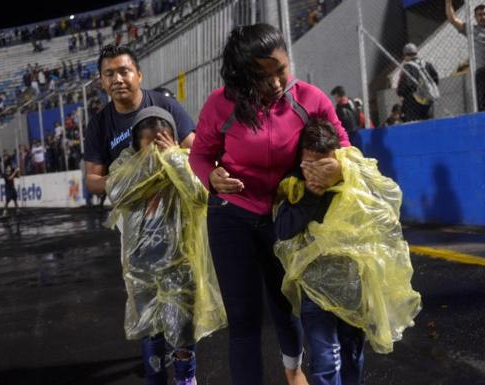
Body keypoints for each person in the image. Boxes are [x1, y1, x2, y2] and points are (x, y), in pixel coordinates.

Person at [189, 23, 350, 385]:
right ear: (244, 74)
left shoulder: (310, 99)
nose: (276, 83)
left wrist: (335, 166)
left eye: (281, 71)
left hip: (284, 217)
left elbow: (344, 146)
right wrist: (211, 178)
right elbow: (199, 156)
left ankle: (293, 371)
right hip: (232, 216)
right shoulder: (220, 105)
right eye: (263, 77)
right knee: (244, 319)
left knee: (286, 305)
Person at [273, 119, 421, 385]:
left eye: (323, 165)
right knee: (325, 360)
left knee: (352, 353)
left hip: (352, 285)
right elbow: (284, 229)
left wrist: (344, 173)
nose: (316, 173)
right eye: (309, 165)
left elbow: (383, 210)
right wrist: (310, 195)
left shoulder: (353, 182)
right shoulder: (295, 186)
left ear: (336, 159)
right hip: (314, 289)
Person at [105, 107, 226, 385]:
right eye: (149, 148)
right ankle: (155, 378)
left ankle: (186, 380)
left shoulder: (183, 162)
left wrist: (173, 158)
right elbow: (117, 193)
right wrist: (151, 163)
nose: (156, 154)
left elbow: (199, 195)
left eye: (162, 145)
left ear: (172, 140)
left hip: (179, 265)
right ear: (136, 146)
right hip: (141, 268)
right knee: (150, 331)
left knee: (181, 332)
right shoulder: (126, 168)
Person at [84, 44, 195, 196]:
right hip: (132, 210)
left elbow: (197, 154)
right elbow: (91, 180)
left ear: (139, 75)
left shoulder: (165, 105)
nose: (117, 80)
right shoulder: (98, 124)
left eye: (124, 72)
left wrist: (173, 155)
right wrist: (125, 178)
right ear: (102, 82)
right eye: (109, 74)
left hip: (175, 200)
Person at [397, 43, 439, 122]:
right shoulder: (427, 64)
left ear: (405, 55)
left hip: (413, 102)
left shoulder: (408, 66)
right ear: (416, 52)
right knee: (428, 123)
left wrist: (401, 94)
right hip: (428, 99)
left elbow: (406, 84)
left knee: (414, 125)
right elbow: (435, 78)